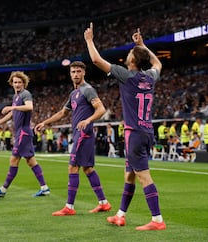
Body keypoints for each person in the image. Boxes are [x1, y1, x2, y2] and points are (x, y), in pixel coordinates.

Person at [84, 23, 166, 230]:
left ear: (132, 60)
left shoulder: (126, 75)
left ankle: (157, 220)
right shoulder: (149, 77)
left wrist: (89, 40)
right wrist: (142, 44)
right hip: (146, 130)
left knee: (143, 176)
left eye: (131, 52)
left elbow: (95, 60)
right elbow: (158, 64)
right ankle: (120, 214)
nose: (128, 53)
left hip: (134, 133)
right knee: (129, 175)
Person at [35, 61, 111, 216]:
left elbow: (101, 109)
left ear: (84, 73)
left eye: (78, 71)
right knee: (88, 168)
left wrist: (88, 120)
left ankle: (69, 207)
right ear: (70, 74)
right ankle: (104, 203)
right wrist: (45, 122)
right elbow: (62, 113)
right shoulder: (73, 93)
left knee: (72, 167)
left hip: (84, 134)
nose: (75, 74)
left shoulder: (87, 90)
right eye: (73, 72)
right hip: (80, 135)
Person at [0, 71, 50, 198]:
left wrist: (12, 107)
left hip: (23, 132)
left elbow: (29, 107)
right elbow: (12, 115)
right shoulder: (16, 97)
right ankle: (44, 188)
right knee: (31, 161)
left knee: (14, 159)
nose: (17, 84)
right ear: (12, 83)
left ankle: (3, 190)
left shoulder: (25, 94)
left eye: (19, 82)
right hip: (22, 133)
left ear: (24, 83)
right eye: (15, 82)